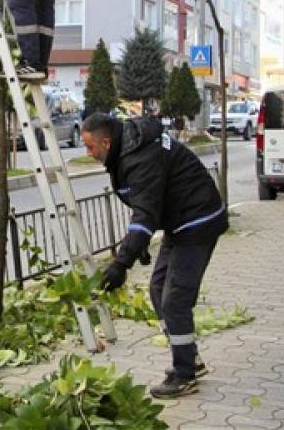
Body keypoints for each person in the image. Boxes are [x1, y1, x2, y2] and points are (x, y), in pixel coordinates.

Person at [81, 112, 227, 399]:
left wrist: (121, 263)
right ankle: (189, 358)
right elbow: (149, 202)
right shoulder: (129, 148)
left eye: (90, 147)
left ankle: (184, 375)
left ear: (107, 142)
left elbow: (144, 213)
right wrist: (138, 244)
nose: (88, 153)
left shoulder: (138, 158)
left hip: (197, 222)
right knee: (158, 289)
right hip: (180, 222)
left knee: (175, 300)